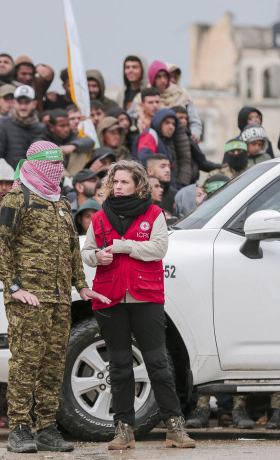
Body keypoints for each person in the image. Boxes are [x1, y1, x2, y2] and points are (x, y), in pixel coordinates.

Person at [0, 141, 108, 453]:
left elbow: (72, 247)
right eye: (51, 164)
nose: (57, 170)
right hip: (28, 298)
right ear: (36, 165)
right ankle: (18, 428)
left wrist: (81, 284)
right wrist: (14, 287)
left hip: (59, 299)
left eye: (60, 164)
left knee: (54, 364)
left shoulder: (60, 203)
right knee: (26, 363)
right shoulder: (16, 200)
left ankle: (45, 426)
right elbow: (1, 247)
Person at [81, 160, 195, 450]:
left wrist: (123, 246)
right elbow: (87, 252)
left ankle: (175, 427)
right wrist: (97, 258)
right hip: (110, 297)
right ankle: (124, 430)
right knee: (118, 366)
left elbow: (159, 248)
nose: (118, 187)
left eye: (124, 182)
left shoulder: (154, 213)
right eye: (115, 182)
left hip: (146, 297)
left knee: (158, 363)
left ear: (138, 185)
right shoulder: (99, 217)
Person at [0, 85, 45, 173]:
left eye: (27, 102)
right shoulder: (2, 124)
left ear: (34, 104)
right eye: (20, 102)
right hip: (8, 181)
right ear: (14, 103)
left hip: (33, 181)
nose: (23, 107)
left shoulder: (41, 128)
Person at [135, 108, 191, 187]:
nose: (171, 127)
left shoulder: (165, 142)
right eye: (167, 123)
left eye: (173, 124)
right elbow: (144, 161)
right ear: (158, 122)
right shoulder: (150, 134)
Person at [38, 108, 94, 177]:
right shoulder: (42, 138)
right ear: (51, 127)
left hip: (72, 173)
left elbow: (90, 142)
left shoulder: (72, 134)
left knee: (82, 149)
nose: (66, 129)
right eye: (62, 126)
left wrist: (73, 146)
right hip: (52, 177)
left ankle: (72, 179)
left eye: (67, 125)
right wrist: (57, 151)